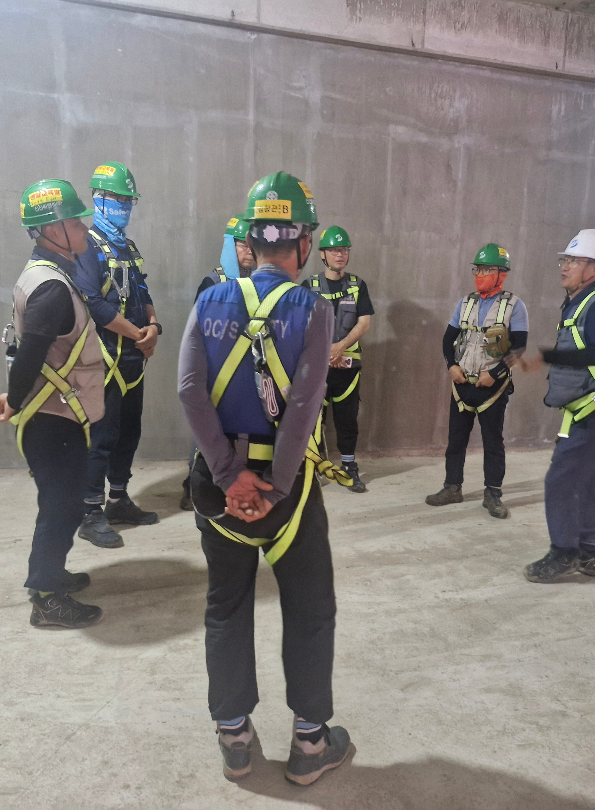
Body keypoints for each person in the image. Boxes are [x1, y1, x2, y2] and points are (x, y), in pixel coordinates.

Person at [178, 172, 353, 785]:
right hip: (288, 493)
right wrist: (273, 485)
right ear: (303, 244)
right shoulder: (315, 310)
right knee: (309, 606)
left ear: (249, 241)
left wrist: (230, 476)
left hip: (218, 489)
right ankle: (310, 744)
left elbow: (189, 391)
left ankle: (234, 737)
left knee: (226, 606)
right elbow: (303, 406)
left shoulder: (209, 301)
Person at [0, 179, 105, 629]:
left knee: (63, 500)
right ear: (53, 229)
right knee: (61, 505)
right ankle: (46, 598)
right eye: (76, 221)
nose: (83, 228)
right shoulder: (52, 288)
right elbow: (32, 353)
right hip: (52, 418)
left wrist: (16, 396)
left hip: (53, 410)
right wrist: (16, 400)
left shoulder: (45, 274)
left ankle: (52, 575)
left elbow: (32, 351)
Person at [519, 229, 595, 583]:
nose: (565, 267)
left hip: (591, 412)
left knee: (561, 480)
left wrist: (547, 356)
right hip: (586, 411)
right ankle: (587, 552)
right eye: (565, 260)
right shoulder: (583, 301)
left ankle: (564, 552)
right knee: (583, 481)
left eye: (575, 261)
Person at [72, 162, 161, 549]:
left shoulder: (128, 246)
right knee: (101, 436)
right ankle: (89, 512)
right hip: (103, 360)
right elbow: (93, 303)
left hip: (133, 360)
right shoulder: (86, 246)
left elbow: (142, 291)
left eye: (128, 200)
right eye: (117, 198)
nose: (124, 206)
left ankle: (119, 499)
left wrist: (154, 327)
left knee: (129, 432)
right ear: (98, 199)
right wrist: (136, 333)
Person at [425, 244, 529, 519]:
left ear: (502, 273)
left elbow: (519, 347)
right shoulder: (466, 303)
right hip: (462, 384)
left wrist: (494, 374)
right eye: (477, 270)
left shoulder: (515, 306)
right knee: (455, 440)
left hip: (492, 387)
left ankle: (493, 494)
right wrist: (451, 366)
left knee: (493, 442)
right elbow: (448, 339)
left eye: (486, 270)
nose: (480, 275)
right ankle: (452, 487)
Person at [181, 214, 257, 512]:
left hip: (248, 375)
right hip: (216, 374)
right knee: (207, 433)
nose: (249, 250)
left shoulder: (260, 282)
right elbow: (198, 333)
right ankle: (193, 486)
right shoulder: (212, 284)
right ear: (229, 246)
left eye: (253, 244)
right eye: (242, 244)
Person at [308, 225, 374, 493]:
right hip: (317, 370)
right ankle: (313, 468)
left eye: (344, 250)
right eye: (334, 250)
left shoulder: (358, 285)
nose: (340, 254)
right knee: (313, 421)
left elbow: (364, 323)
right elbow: (301, 325)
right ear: (322, 254)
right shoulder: (309, 286)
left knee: (347, 420)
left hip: (348, 369)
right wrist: (328, 351)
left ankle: (349, 467)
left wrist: (340, 347)